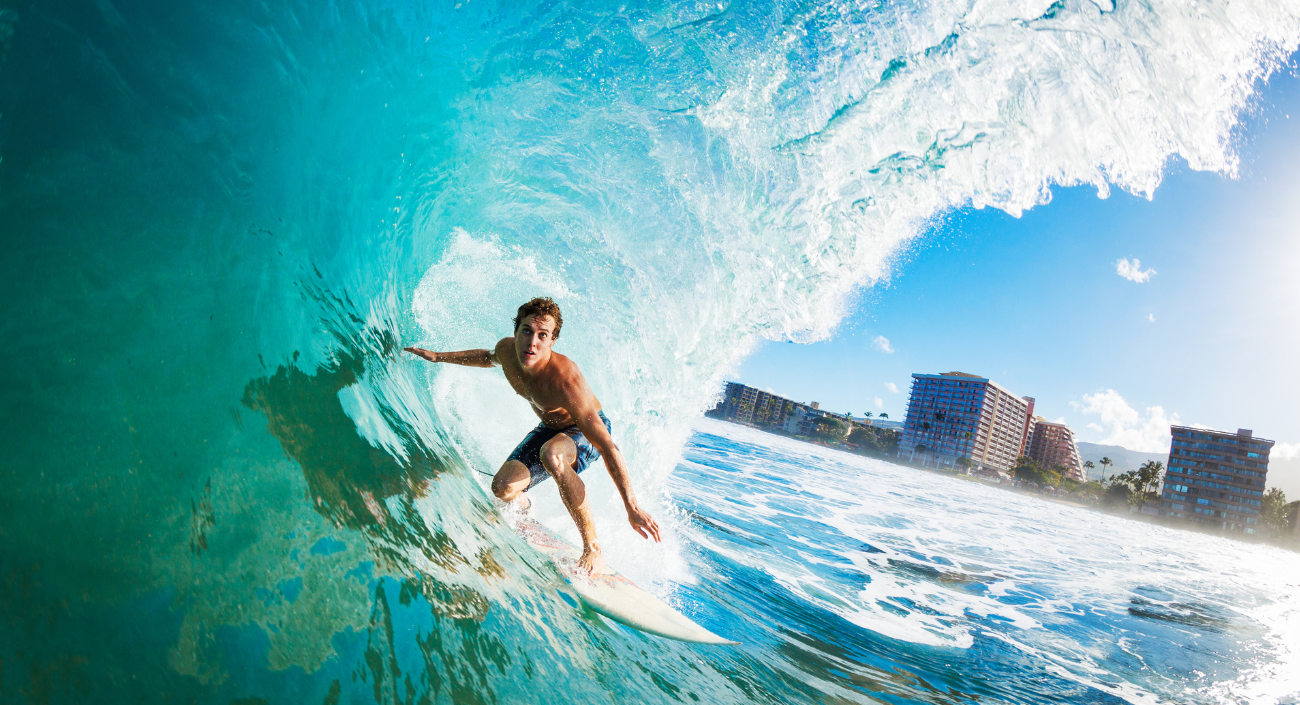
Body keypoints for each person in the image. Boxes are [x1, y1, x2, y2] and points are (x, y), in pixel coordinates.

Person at [404, 297, 660, 574]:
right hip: (550, 429)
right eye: (527, 331)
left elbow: (608, 446)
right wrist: (438, 357)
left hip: (582, 432)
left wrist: (632, 507)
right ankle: (522, 503)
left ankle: (593, 549)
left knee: (552, 455)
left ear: (552, 341)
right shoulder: (507, 351)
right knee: (502, 488)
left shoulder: (565, 380)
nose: (532, 342)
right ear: (516, 332)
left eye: (542, 335)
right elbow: (487, 358)